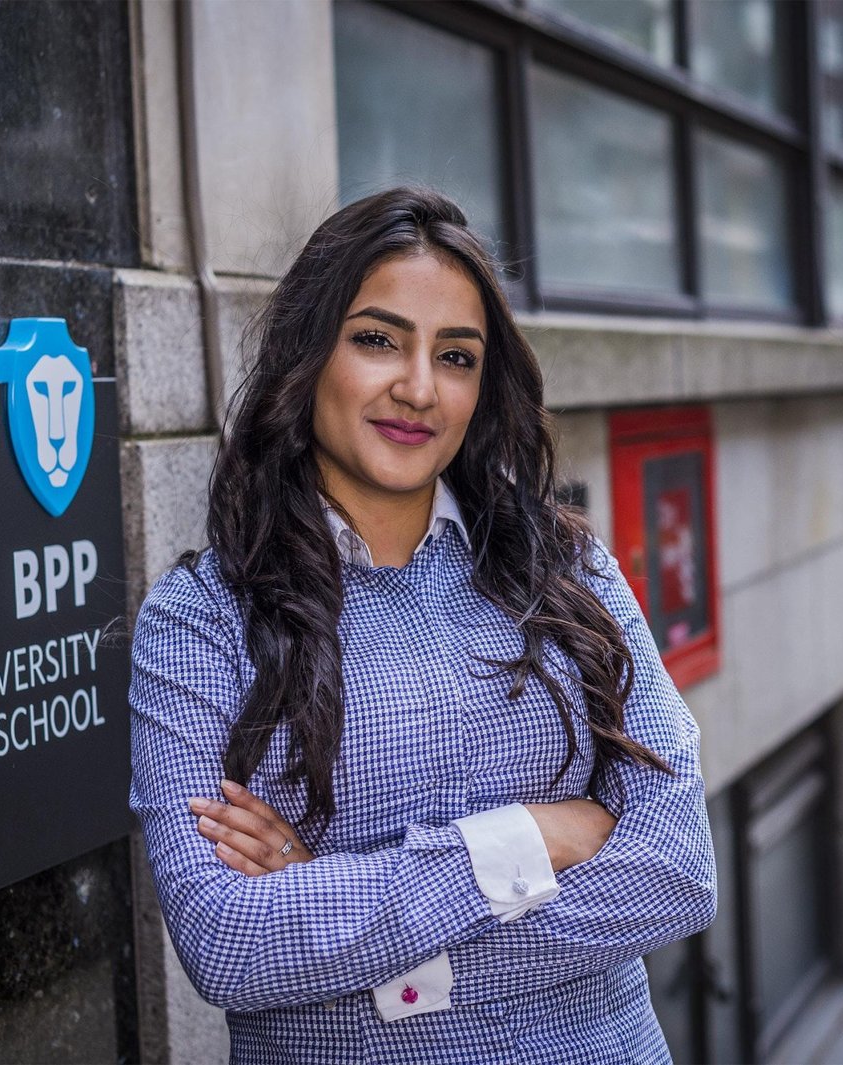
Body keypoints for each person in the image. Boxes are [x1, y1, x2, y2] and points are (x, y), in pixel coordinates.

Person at [128, 186, 716, 1063]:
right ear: (309, 351)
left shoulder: (565, 567)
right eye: (377, 340)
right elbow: (233, 943)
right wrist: (535, 836)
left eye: (456, 356)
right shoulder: (200, 624)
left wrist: (334, 901)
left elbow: (676, 872)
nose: (417, 388)